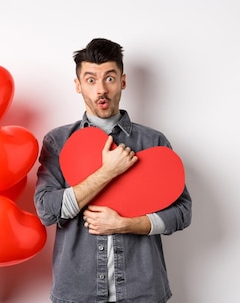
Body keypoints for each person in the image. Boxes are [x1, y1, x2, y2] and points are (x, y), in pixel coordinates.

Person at [34, 38, 192, 303]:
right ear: (78, 85)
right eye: (91, 80)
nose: (101, 90)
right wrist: (108, 172)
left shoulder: (153, 143)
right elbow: (46, 210)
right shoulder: (58, 142)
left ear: (123, 81)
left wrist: (127, 224)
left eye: (109, 78)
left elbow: (183, 212)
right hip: (77, 293)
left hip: (142, 291)